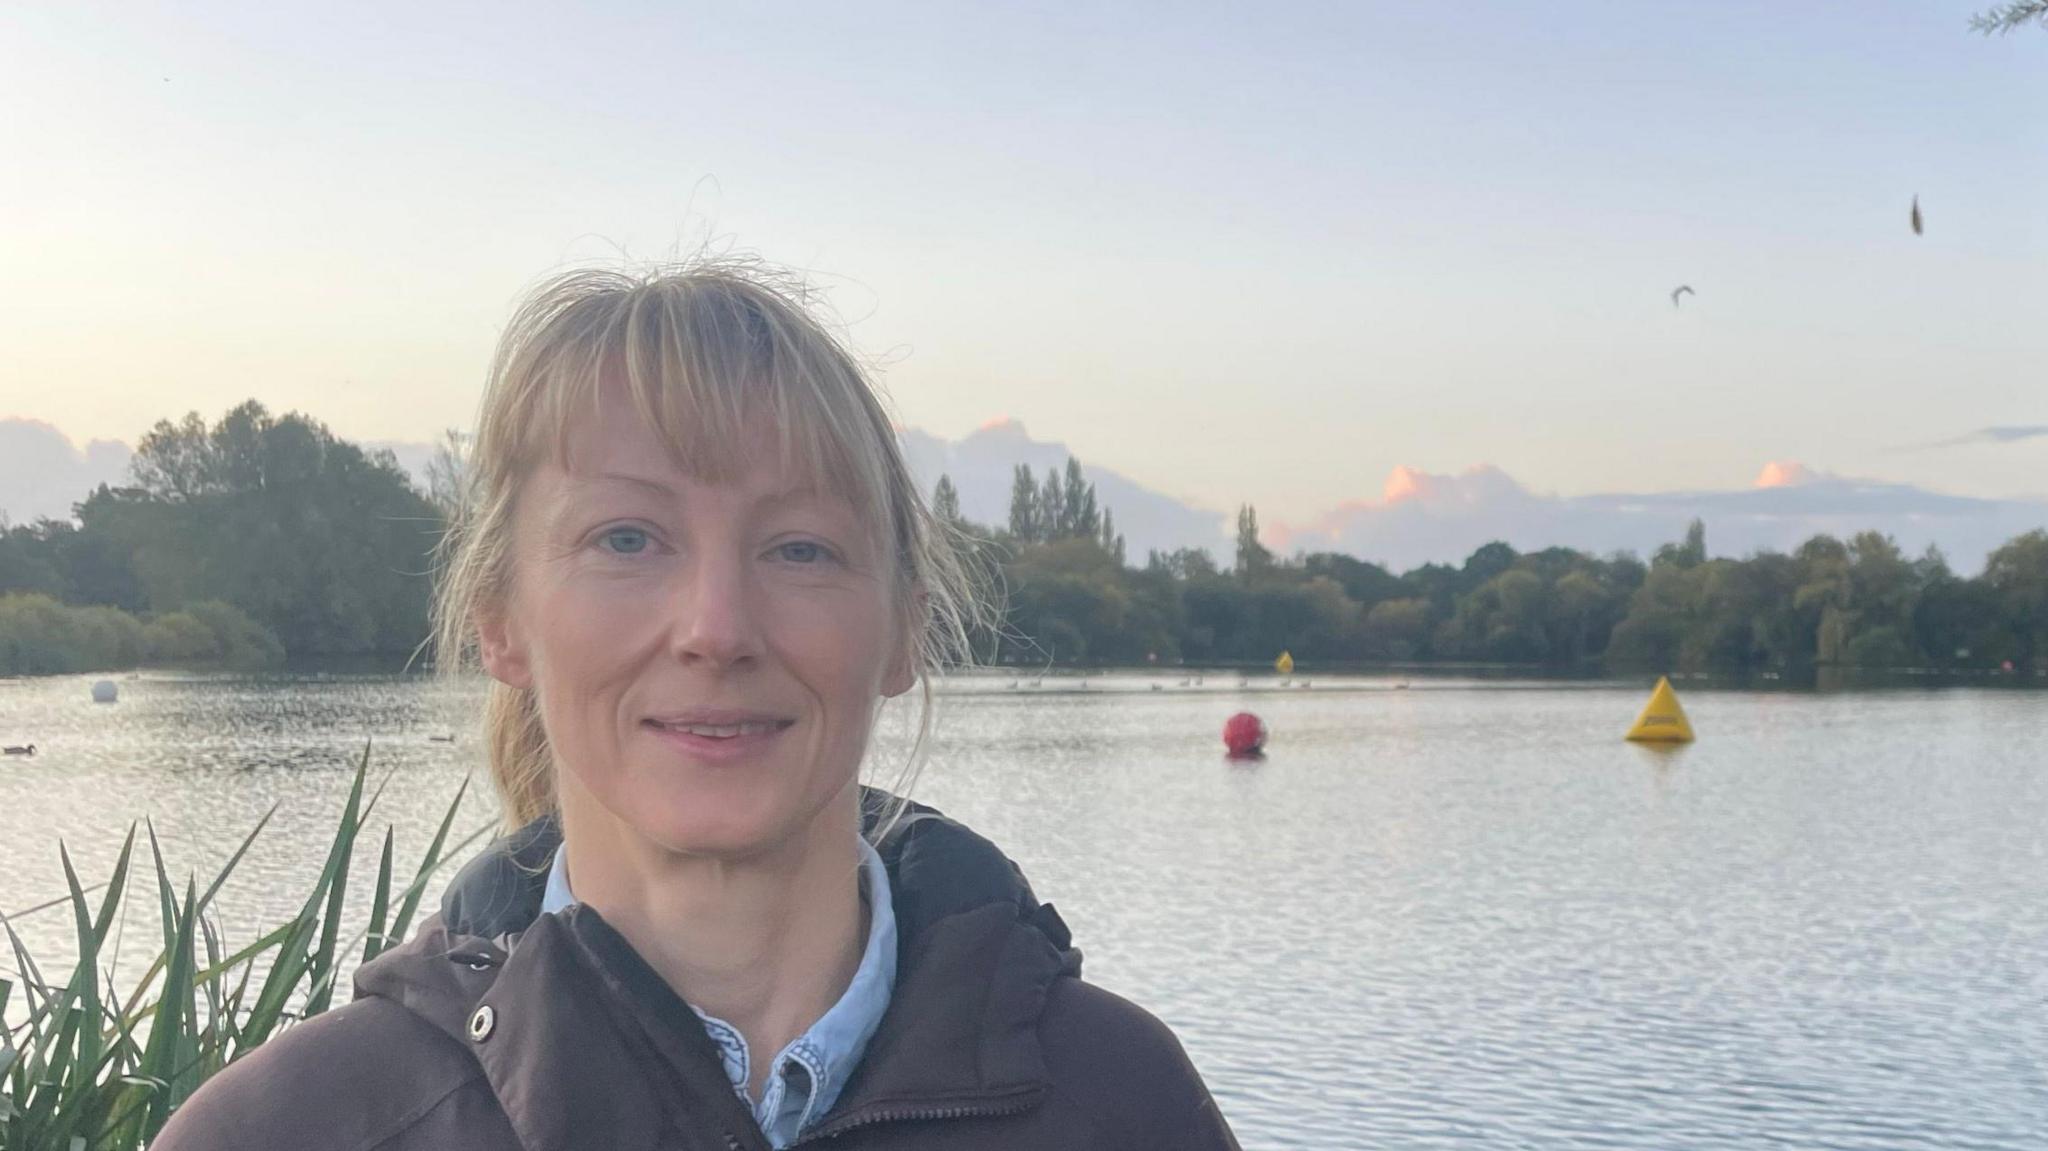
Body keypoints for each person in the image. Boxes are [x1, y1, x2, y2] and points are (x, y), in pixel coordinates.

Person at [156, 260, 1240, 1150]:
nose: (715, 626)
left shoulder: (1125, 1103)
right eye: (625, 538)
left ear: (902, 628)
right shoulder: (287, 1129)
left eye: (800, 546)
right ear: (502, 618)